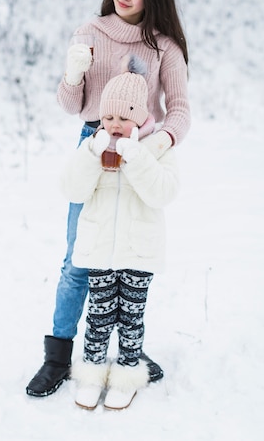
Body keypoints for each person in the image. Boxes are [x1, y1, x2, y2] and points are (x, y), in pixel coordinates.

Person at [26, 0, 190, 398]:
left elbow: (179, 111)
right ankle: (58, 357)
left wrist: (155, 147)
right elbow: (69, 102)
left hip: (141, 149)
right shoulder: (89, 33)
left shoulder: (165, 47)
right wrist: (72, 73)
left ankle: (128, 354)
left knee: (130, 256)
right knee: (80, 258)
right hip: (92, 143)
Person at [63, 56, 180, 410]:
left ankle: (127, 374)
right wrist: (90, 154)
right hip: (100, 248)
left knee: (131, 317)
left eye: (123, 117)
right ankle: (92, 372)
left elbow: (163, 192)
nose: (114, 125)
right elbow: (72, 190)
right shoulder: (95, 147)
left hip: (138, 250)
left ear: (140, 116)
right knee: (99, 315)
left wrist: (136, 155)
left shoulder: (158, 146)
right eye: (108, 117)